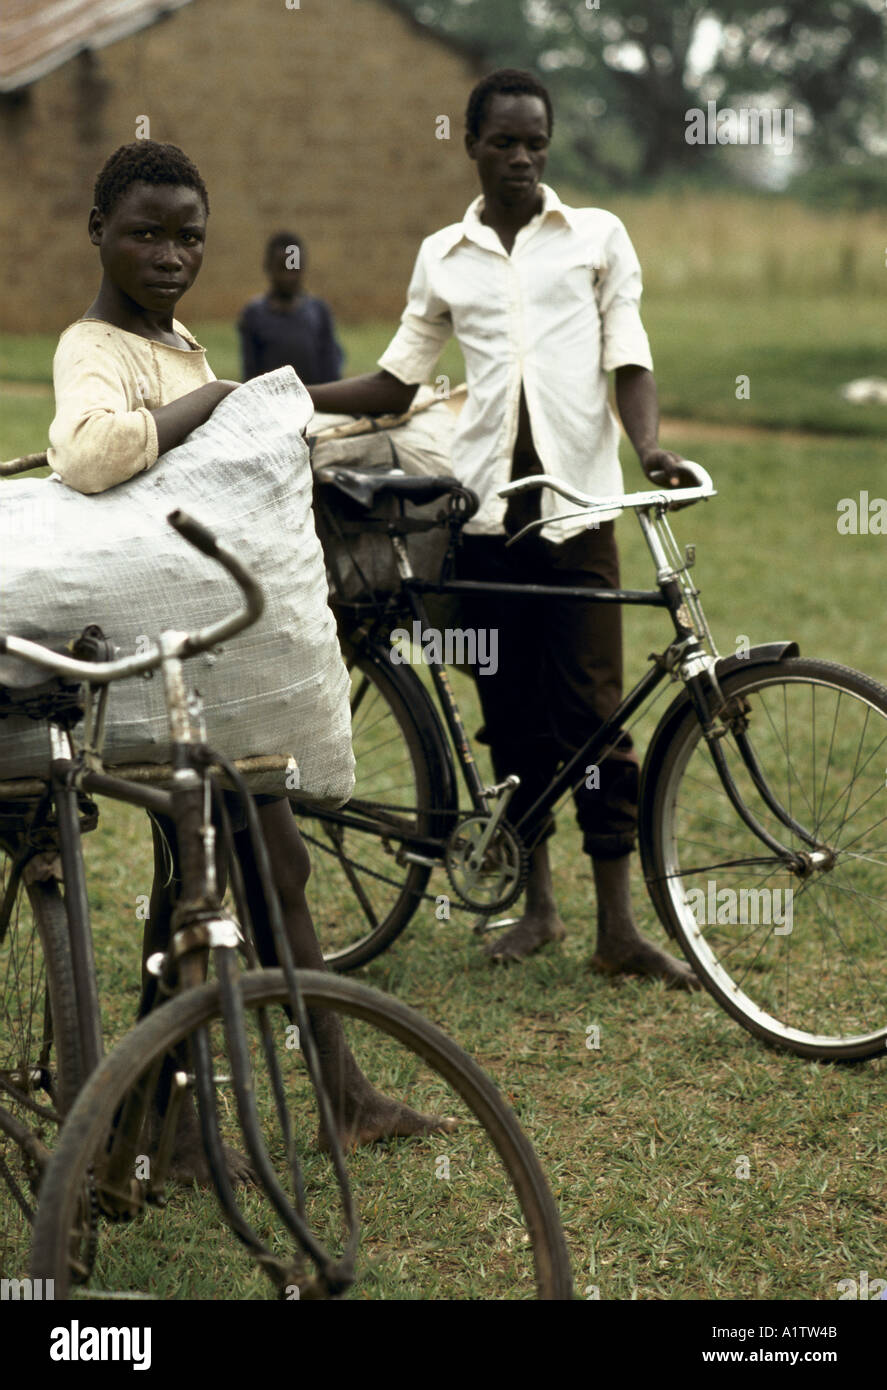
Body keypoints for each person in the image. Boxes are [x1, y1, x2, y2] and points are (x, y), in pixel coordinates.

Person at [48, 139, 454, 1174]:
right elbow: (91, 453)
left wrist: (370, 410)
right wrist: (224, 400)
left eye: (189, 235)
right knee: (259, 864)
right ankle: (317, 1100)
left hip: (216, 657)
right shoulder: (95, 347)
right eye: (146, 233)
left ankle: (163, 1125)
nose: (172, 254)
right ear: (100, 234)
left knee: (220, 873)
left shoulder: (179, 343)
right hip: (163, 662)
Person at [306, 69, 700, 988]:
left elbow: (628, 356)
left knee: (595, 718)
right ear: (473, 145)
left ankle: (619, 929)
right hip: (481, 524)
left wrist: (647, 450)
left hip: (581, 519)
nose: (521, 157)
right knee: (511, 725)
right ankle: (539, 910)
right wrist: (284, 392)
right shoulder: (444, 254)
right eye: (504, 142)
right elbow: (398, 384)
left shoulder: (596, 238)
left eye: (535, 142)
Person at [238, 231, 343, 383]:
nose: (289, 277)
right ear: (268, 267)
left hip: (314, 402)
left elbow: (330, 368)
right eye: (282, 268)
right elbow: (250, 374)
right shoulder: (254, 315)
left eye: (294, 269)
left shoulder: (318, 312)